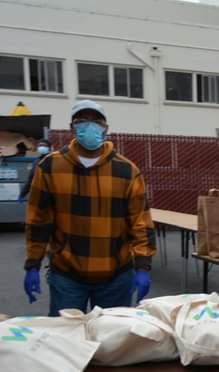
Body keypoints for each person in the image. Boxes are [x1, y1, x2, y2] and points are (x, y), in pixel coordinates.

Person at [23, 99, 155, 315]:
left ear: (105, 129)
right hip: (67, 276)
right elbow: (38, 220)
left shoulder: (127, 171)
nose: (90, 125)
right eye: (82, 120)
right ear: (72, 128)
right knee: (67, 342)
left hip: (116, 276)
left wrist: (142, 265)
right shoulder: (50, 167)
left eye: (96, 121)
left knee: (111, 344)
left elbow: (140, 222)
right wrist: (32, 263)